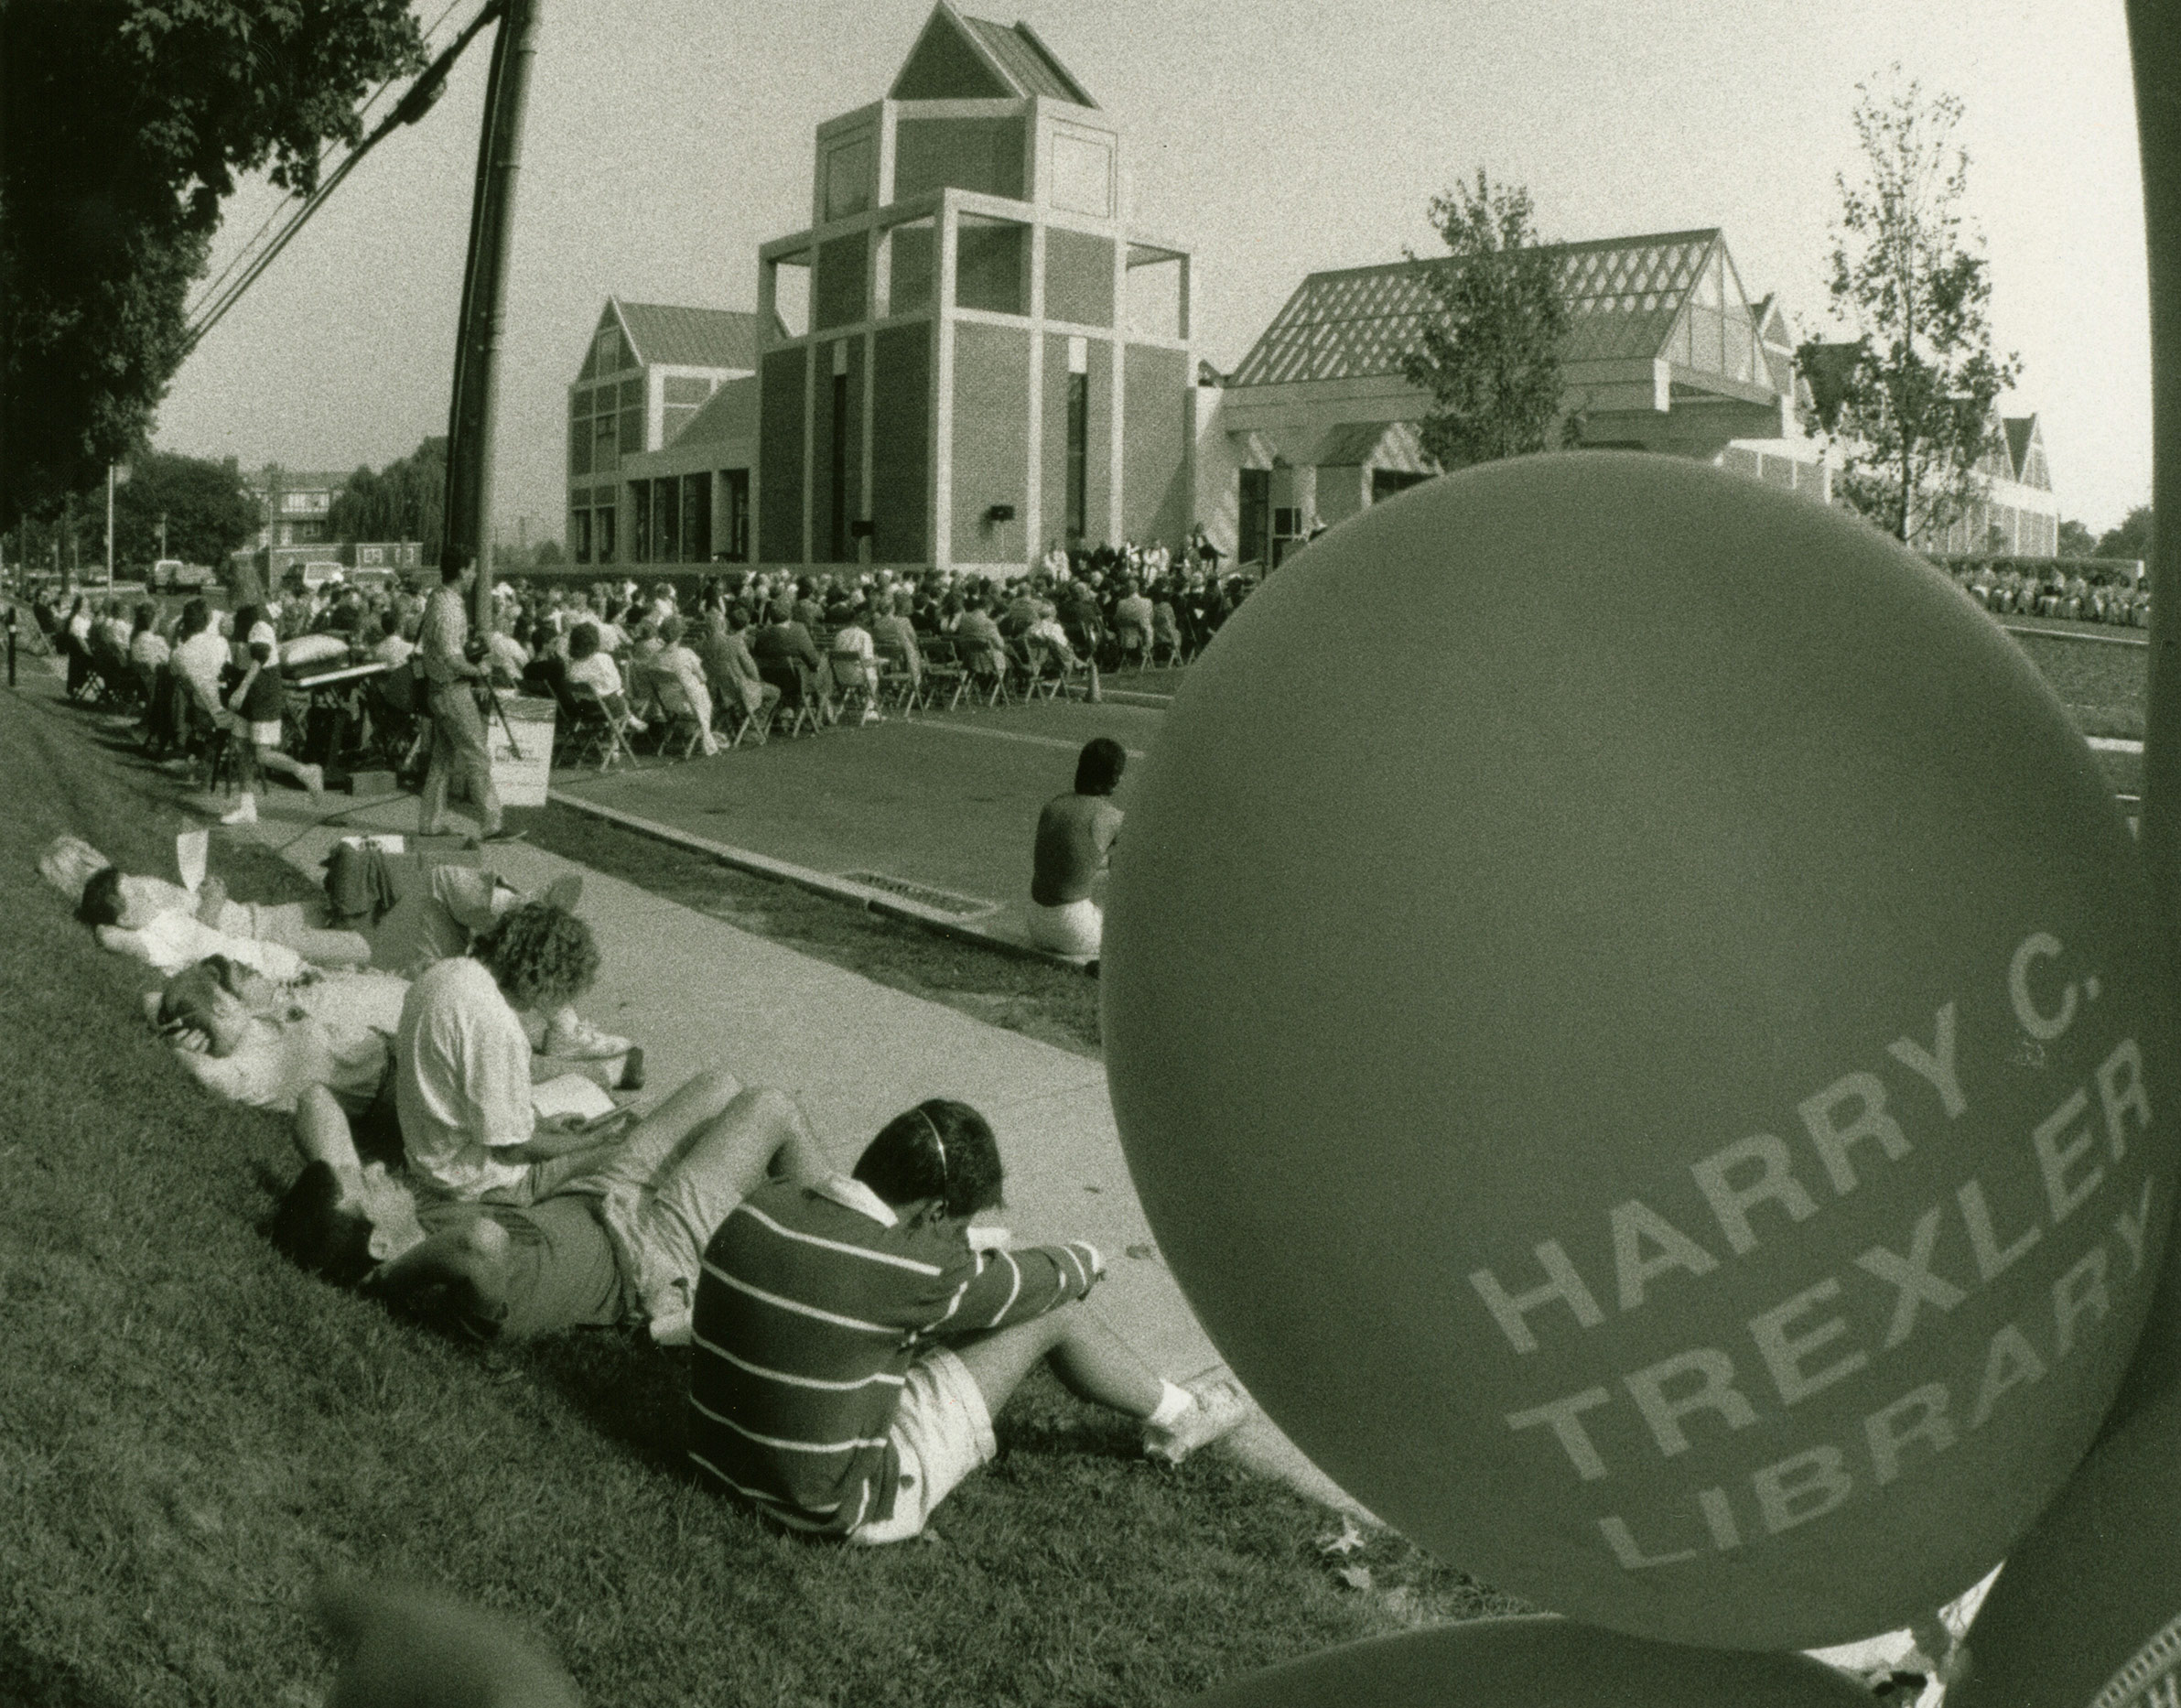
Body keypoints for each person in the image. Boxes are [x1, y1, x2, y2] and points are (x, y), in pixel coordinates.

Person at [686, 1097, 1250, 1540]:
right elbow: (1046, 1280)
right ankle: (1182, 1415)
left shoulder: (769, 1203)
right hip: (828, 1503)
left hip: (711, 1454)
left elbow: (873, 1265)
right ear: (933, 1210)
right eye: (956, 1226)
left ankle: (1177, 1412)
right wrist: (1090, 1259)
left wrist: (960, 1245)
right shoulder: (919, 1273)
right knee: (1055, 1316)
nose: (956, 1241)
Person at [275, 1065, 823, 1346]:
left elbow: (313, 1100)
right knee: (770, 1107)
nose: (375, 1169)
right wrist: (386, 1279)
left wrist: (346, 1184)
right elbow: (479, 1244)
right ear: (380, 1244)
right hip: (647, 1254)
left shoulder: (413, 1224)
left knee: (718, 1084)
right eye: (366, 1185)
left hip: (602, 1195)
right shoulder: (439, 1293)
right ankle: (860, 1235)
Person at [394, 900, 650, 1205]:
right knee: (634, 1143)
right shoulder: (496, 1024)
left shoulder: (445, 973)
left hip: (431, 1151)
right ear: (539, 977)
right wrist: (588, 1143)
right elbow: (510, 1150)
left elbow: (468, 1099)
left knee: (571, 1108)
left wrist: (540, 1125)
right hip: (474, 1181)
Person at [416, 555, 511, 845]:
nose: (475, 576)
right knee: (477, 754)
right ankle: (492, 823)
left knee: (442, 758)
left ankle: (430, 823)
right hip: (452, 689)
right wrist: (477, 669)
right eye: (472, 569)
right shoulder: (448, 607)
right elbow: (450, 655)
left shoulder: (438, 598)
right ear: (461, 571)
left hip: (440, 689)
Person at [1027, 738, 1125, 961]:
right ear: (1113, 777)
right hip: (1072, 929)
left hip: (1036, 922)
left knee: (1100, 868)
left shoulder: (1054, 805)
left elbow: (1073, 860)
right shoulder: (1111, 816)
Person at [220, 621, 326, 826]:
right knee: (241, 749)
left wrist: (241, 689)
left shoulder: (257, 622)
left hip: (263, 697)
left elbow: (261, 654)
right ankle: (247, 808)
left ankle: (306, 771)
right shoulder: (239, 623)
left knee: (262, 754)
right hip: (249, 697)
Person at [564, 622, 646, 737]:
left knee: (610, 694)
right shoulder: (602, 659)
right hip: (608, 708)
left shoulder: (571, 665)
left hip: (584, 710)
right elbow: (616, 684)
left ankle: (628, 718)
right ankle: (627, 719)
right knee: (618, 693)